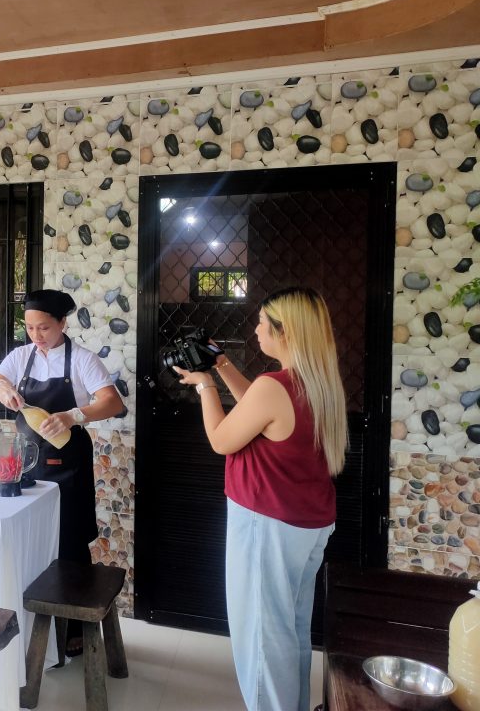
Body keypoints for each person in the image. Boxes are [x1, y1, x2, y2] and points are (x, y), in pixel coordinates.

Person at [171, 286, 347, 711]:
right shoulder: (319, 382)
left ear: (286, 332)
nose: (255, 329)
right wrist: (222, 363)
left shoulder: (275, 386)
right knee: (290, 629)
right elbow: (260, 408)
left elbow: (221, 439)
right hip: (307, 524)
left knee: (263, 638)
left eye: (263, 323)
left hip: (267, 524)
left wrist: (204, 385)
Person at [0, 288, 125, 655]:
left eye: (43, 327)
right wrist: (0, 387)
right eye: (30, 327)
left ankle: (74, 628)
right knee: (26, 535)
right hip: (25, 462)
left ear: (62, 323)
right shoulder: (20, 357)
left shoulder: (82, 360)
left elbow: (112, 402)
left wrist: (74, 415)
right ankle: (28, 626)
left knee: (69, 541)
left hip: (68, 463)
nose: (36, 335)